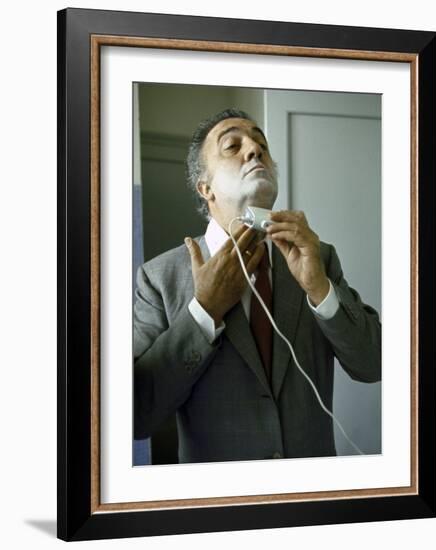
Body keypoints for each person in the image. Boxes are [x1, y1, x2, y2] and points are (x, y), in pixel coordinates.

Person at [133, 108, 381, 464]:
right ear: (206, 188)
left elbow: (374, 365)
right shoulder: (158, 279)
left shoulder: (318, 257)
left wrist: (321, 290)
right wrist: (204, 311)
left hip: (316, 498)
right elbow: (137, 414)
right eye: (233, 145)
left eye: (261, 144)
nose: (254, 149)